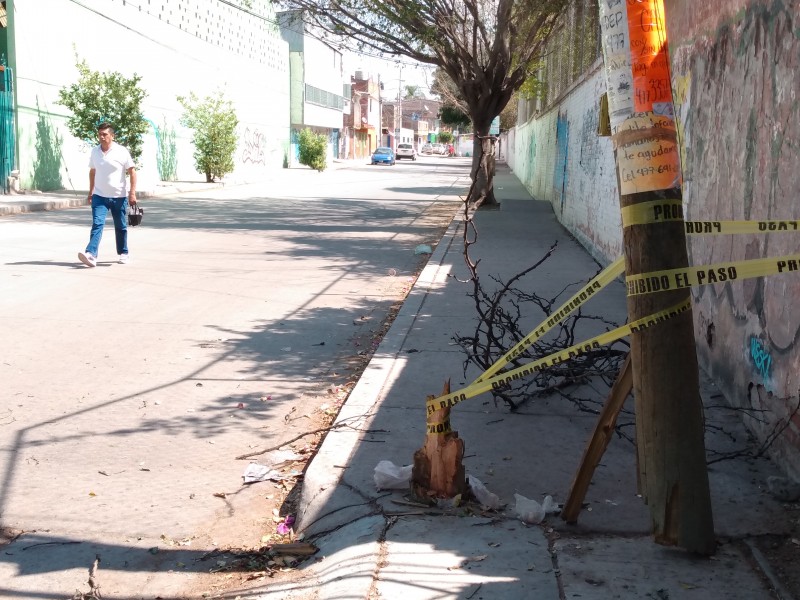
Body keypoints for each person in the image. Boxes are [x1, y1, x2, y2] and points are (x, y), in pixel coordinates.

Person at [78, 122, 137, 267]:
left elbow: (132, 171)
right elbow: (92, 171)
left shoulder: (122, 151)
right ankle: (91, 254)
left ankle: (124, 252)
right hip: (99, 196)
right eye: (99, 134)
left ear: (112, 135)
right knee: (97, 224)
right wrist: (91, 191)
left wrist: (132, 193)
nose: (101, 137)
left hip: (119, 196)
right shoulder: (95, 151)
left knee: (121, 226)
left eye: (105, 134)